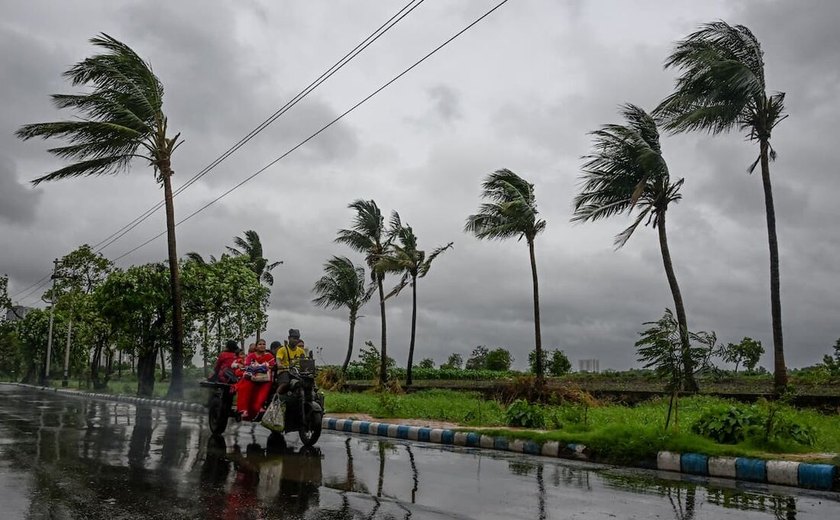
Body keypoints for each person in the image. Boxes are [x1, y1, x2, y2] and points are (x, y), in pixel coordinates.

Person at [236, 339, 276, 420]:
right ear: (256, 346)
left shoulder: (270, 356)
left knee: (263, 392)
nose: (262, 346)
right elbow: (247, 366)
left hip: (265, 380)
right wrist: (257, 368)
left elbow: (273, 366)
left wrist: (264, 367)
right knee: (245, 385)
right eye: (260, 344)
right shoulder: (251, 356)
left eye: (264, 344)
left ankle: (258, 407)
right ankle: (244, 409)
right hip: (253, 378)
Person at [275, 329, 308, 397]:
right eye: (294, 338)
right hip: (284, 371)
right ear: (289, 338)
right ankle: (276, 399)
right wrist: (280, 365)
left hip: (297, 372)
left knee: (308, 383)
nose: (296, 340)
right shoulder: (282, 350)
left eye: (297, 339)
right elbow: (278, 359)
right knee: (285, 383)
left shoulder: (301, 351)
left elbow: (305, 362)